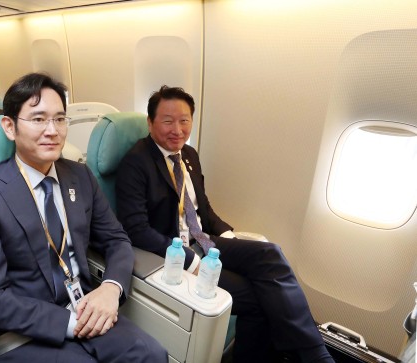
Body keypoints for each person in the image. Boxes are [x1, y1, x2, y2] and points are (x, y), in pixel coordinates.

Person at [0, 73, 167, 362]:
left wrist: (110, 288)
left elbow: (117, 239)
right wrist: (69, 323)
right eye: (39, 119)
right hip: (21, 331)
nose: (52, 130)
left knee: (153, 355)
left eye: (59, 119)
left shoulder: (79, 176)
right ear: (9, 127)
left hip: (84, 304)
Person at [116, 86, 334, 363]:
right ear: (150, 122)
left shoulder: (189, 155)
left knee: (270, 254)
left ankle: (316, 353)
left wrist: (229, 235)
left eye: (184, 120)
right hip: (174, 252)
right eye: (168, 121)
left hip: (205, 240)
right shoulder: (135, 163)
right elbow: (136, 230)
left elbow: (202, 209)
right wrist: (190, 260)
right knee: (258, 299)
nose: (178, 129)